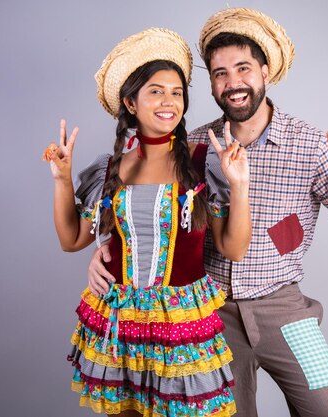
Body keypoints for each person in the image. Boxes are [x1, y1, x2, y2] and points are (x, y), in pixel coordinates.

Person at [88, 9, 328, 417]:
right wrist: (103, 252)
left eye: (242, 68)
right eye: (219, 73)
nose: (232, 83)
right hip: (210, 316)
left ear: (265, 71)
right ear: (210, 83)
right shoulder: (190, 147)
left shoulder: (311, 145)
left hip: (284, 309)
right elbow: (140, 217)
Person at [43, 28, 251, 417]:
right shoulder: (109, 168)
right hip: (120, 318)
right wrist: (62, 180)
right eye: (156, 91)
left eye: (176, 92)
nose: (169, 101)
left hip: (181, 320)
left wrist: (239, 187)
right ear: (130, 102)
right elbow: (72, 240)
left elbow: (234, 248)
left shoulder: (205, 159)